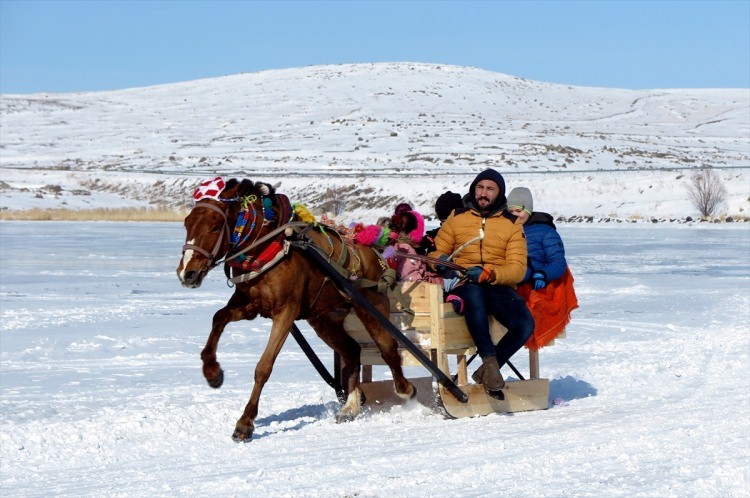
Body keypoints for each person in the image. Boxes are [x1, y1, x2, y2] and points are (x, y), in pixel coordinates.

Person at [428, 169, 534, 399]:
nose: (483, 193)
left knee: (524, 324)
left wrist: (490, 274)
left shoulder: (512, 223)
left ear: (499, 193)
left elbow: (518, 268)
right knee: (474, 297)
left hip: (497, 283)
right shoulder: (457, 217)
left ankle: (486, 370)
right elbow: (437, 251)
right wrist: (441, 261)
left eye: (490, 189)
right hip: (464, 281)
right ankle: (490, 364)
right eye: (480, 187)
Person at [506, 187, 579, 350]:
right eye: (510, 211)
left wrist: (543, 274)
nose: (515, 215)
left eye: (519, 210)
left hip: (535, 280)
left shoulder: (545, 231)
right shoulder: (506, 230)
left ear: (528, 210)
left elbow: (558, 261)